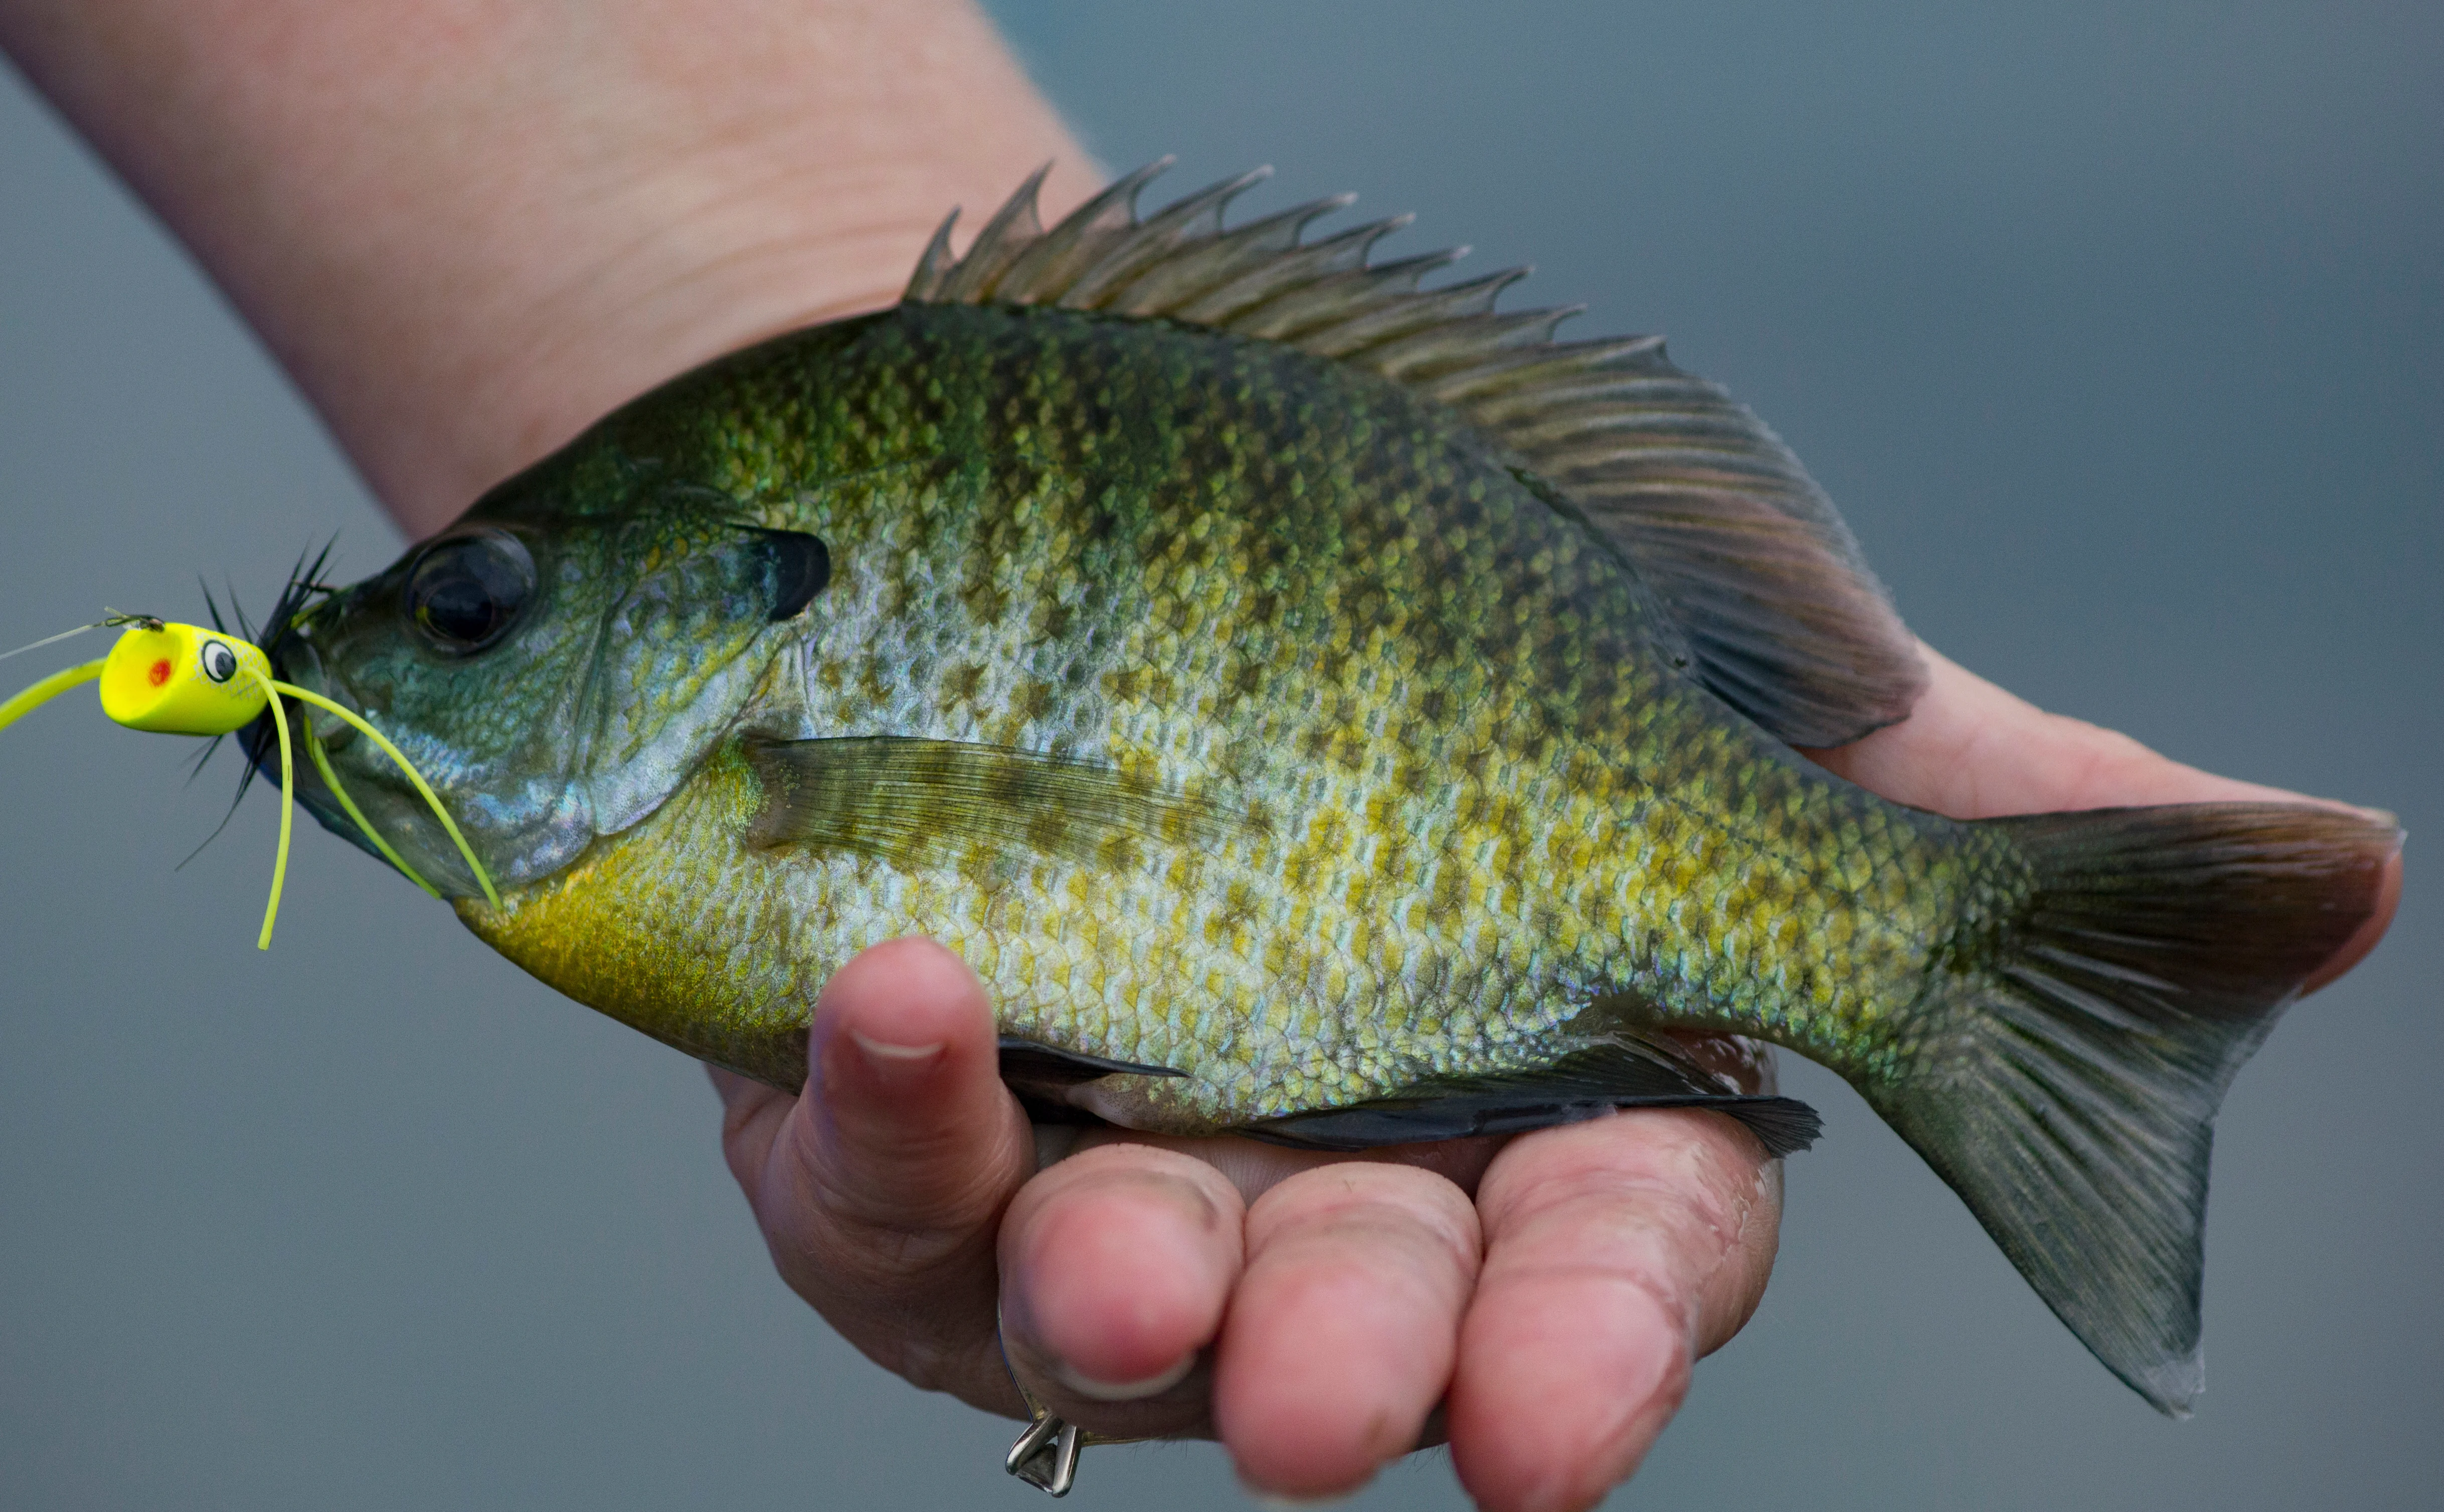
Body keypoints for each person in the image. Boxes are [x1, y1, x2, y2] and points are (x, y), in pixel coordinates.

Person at [0, 3, 2397, 1508]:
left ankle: (1949, 967)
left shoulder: (727, 733)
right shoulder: (667, 770)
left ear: (720, 596)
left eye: (479, 610)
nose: (416, 654)